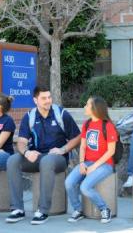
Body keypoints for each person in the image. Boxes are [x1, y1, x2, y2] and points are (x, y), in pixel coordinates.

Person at [6, 85, 81, 225]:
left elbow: (77, 137)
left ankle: (43, 211)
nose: (48, 101)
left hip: (57, 158)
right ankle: (17, 209)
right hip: (37, 156)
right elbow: (21, 142)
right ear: (35, 100)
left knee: (47, 161)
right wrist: (27, 152)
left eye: (49, 97)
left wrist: (63, 149)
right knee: (13, 160)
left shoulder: (61, 113)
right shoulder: (29, 116)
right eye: (44, 98)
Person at [65, 96, 117, 224]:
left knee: (85, 187)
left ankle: (104, 209)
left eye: (87, 105)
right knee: (69, 183)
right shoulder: (87, 124)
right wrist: (82, 163)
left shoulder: (108, 126)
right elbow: (82, 146)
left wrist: (94, 167)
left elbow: (111, 151)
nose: (85, 107)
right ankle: (78, 210)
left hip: (105, 164)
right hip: (87, 162)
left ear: (95, 108)